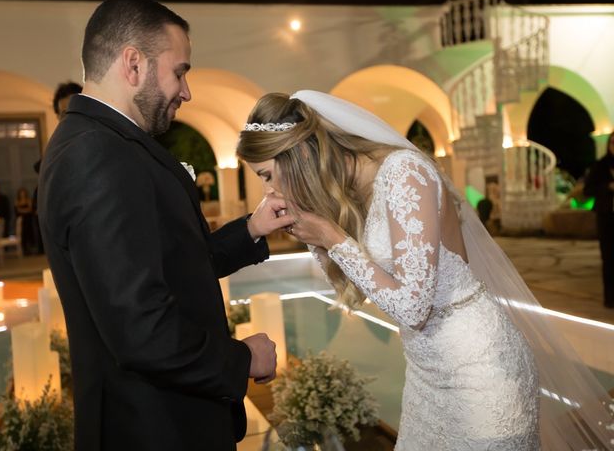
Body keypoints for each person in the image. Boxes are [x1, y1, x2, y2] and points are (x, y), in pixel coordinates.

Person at [236, 90, 614, 450]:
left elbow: (414, 309)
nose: (268, 192)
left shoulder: (404, 173)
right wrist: (314, 234)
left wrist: (334, 239)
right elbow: (369, 287)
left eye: (267, 175)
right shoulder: (352, 190)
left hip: (481, 372)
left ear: (298, 156)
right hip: (426, 374)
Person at [38, 0, 294, 451]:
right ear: (133, 63)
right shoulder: (97, 156)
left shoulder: (106, 144)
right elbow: (141, 329)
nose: (187, 91)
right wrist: (242, 360)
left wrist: (252, 228)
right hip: (152, 428)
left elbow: (171, 264)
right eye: (180, 71)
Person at [584, 132, 614, 308]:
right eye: (612, 142)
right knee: (609, 258)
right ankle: (610, 298)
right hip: (606, 218)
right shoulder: (601, 166)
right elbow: (588, 189)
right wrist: (607, 187)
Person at [14, 187, 35, 254]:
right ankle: (24, 249)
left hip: (28, 220)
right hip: (21, 220)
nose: (22, 194)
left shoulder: (28, 200)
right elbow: (17, 210)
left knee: (29, 234)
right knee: (23, 234)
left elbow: (30, 210)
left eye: (23, 193)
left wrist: (22, 210)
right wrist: (25, 210)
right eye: (21, 193)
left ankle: (30, 249)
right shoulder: (17, 201)